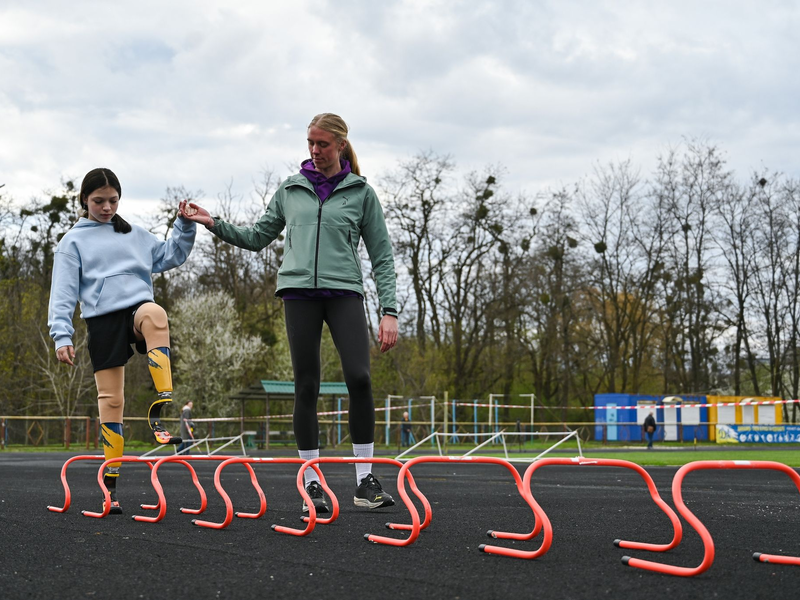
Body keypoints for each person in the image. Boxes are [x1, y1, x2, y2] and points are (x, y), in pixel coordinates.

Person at [182, 113, 398, 513]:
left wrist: (390, 311)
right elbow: (257, 237)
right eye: (310, 143)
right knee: (307, 386)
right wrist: (212, 222)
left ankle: (364, 481)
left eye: (323, 144)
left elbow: (382, 256)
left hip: (344, 291)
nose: (315, 151)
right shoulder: (290, 190)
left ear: (341, 145)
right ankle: (311, 484)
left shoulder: (361, 193)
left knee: (360, 377)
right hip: (299, 293)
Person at [48, 167, 196, 513]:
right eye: (98, 201)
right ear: (84, 200)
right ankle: (111, 488)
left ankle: (162, 401)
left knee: (155, 315)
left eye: (113, 200)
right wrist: (61, 336)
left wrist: (185, 225)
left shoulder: (136, 235)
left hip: (135, 311)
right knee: (111, 402)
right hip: (102, 321)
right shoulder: (72, 242)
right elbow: (64, 293)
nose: (106, 207)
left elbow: (170, 255)